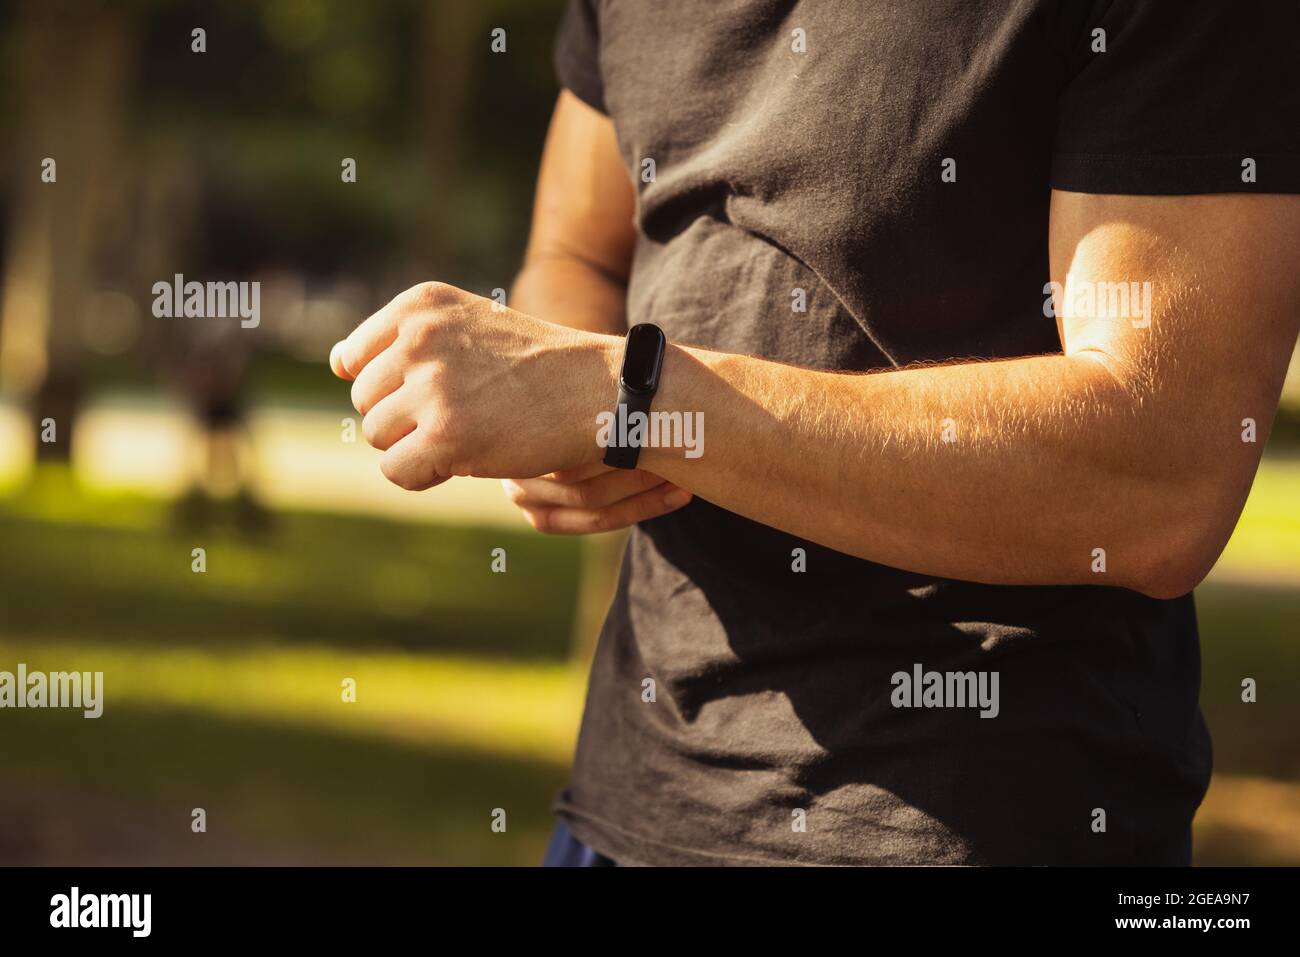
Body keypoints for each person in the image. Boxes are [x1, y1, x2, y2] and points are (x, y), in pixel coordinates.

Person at [330, 1, 1300, 865]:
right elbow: (574, 250)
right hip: (622, 813)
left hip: (967, 822)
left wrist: (634, 397)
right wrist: (570, 418)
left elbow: (1159, 474)